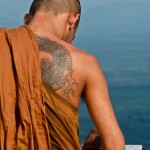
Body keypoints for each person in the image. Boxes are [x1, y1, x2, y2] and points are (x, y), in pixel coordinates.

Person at [0, 0, 125, 149]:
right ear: (72, 19)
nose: (69, 42)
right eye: (72, 36)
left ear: (27, 18)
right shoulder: (85, 63)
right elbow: (114, 143)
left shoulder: (4, 45)